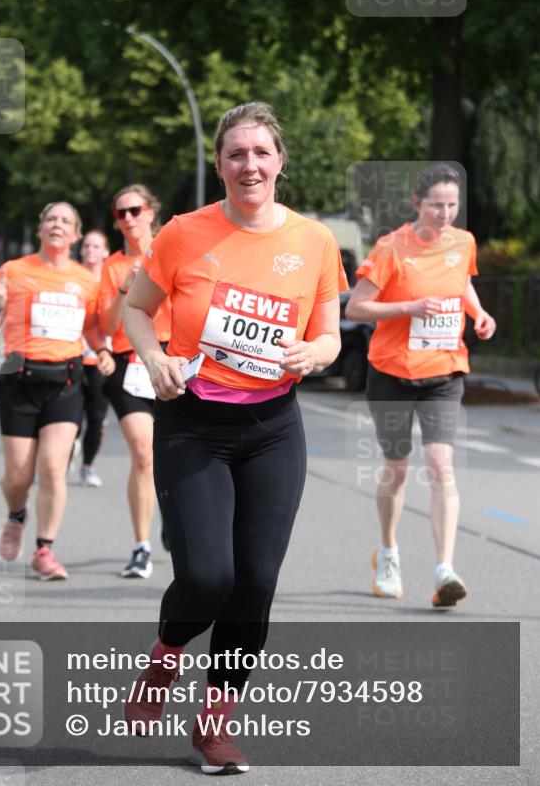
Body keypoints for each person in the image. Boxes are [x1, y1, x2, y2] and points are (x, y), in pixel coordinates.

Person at [122, 102, 345, 774]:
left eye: (260, 152)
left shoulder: (313, 242)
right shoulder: (183, 234)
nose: (248, 164)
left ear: (279, 161)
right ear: (218, 164)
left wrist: (318, 354)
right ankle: (166, 655)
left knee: (255, 584)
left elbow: (329, 331)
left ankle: (213, 727)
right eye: (235, 154)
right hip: (194, 424)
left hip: (273, 428)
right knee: (207, 576)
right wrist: (153, 358)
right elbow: (136, 308)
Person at [345, 164, 496, 607]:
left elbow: (462, 284)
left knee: (441, 467)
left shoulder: (463, 242)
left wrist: (478, 313)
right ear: (417, 204)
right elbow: (356, 308)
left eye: (452, 205)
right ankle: (388, 553)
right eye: (436, 205)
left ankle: (444, 569)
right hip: (392, 373)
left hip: (445, 372)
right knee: (397, 469)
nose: (445, 214)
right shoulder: (392, 247)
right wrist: (409, 306)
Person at [0, 201, 109, 581]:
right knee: (19, 476)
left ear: (75, 234)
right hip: (18, 378)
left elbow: (90, 327)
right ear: (41, 229)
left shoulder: (87, 280)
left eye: (66, 221)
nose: (57, 225)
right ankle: (16, 515)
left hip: (66, 382)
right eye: (51, 219)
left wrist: (101, 350)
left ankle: (44, 550)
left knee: (53, 467)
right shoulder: (15, 271)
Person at [98, 185, 172, 578]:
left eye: (134, 210)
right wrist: (126, 287)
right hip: (131, 364)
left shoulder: (173, 250)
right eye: (120, 213)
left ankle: (174, 520)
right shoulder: (111, 267)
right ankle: (141, 545)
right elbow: (105, 326)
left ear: (150, 212)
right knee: (144, 452)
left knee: (177, 456)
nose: (127, 218)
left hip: (174, 361)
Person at [77, 230, 115, 486]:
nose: (91, 250)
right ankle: (65, 450)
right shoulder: (71, 278)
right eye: (87, 246)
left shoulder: (111, 283)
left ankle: (87, 466)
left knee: (97, 417)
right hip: (73, 357)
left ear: (105, 252)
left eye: (96, 246)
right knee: (71, 416)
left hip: (102, 360)